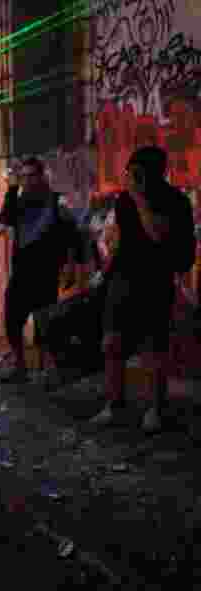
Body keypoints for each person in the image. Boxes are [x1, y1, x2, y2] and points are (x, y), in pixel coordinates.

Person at [90, 145, 196, 434]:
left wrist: (141, 200)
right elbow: (124, 241)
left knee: (154, 349)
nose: (131, 178)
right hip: (124, 278)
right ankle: (115, 405)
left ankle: (156, 409)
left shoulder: (174, 202)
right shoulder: (125, 201)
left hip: (156, 280)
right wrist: (106, 272)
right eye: (130, 172)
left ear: (155, 173)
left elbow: (158, 235)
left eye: (137, 173)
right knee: (111, 343)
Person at [0, 157, 85, 383]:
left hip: (46, 271)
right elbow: (5, 218)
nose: (28, 181)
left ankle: (50, 369)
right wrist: (12, 187)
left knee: (46, 322)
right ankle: (21, 367)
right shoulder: (21, 201)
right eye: (24, 177)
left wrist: (71, 266)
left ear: (41, 176)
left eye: (31, 176)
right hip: (21, 271)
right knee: (12, 318)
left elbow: (72, 236)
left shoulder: (55, 202)